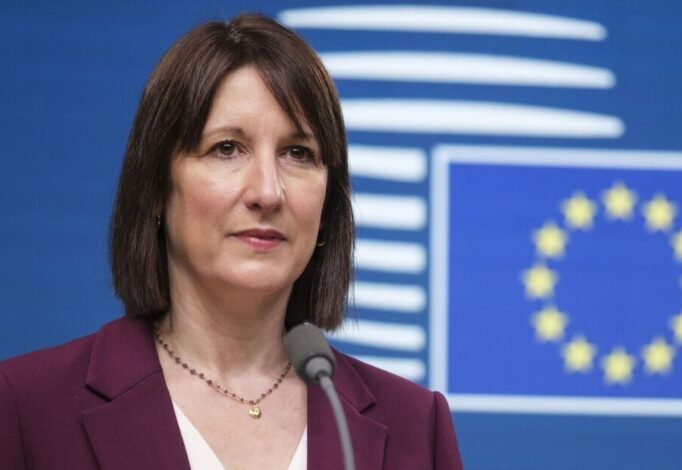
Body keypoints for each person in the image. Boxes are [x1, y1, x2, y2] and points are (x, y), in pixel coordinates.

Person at [0, 13, 462, 470]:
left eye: (298, 153)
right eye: (226, 148)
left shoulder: (415, 424)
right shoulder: (26, 408)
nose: (268, 192)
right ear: (157, 187)